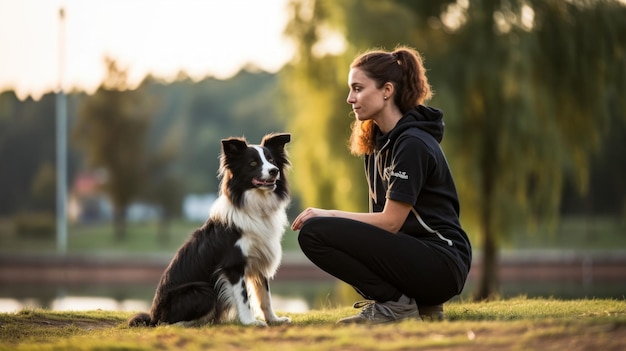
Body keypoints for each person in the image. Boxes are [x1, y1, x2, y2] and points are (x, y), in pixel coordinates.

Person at [291, 46, 472, 324]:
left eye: (358, 88)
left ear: (387, 90)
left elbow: (389, 223)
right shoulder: (377, 144)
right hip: (416, 257)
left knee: (315, 232)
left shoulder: (412, 143)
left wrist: (327, 214)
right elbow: (375, 233)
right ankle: (413, 306)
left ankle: (396, 306)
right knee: (321, 233)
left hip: (443, 262)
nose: (350, 98)